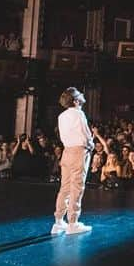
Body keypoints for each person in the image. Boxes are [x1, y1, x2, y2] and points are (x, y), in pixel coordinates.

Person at [53, 87, 94, 235]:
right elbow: (86, 135)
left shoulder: (61, 116)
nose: (82, 95)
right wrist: (91, 145)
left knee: (65, 187)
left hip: (67, 151)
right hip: (78, 151)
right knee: (77, 187)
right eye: (79, 94)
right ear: (76, 100)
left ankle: (58, 222)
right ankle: (73, 223)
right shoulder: (79, 114)